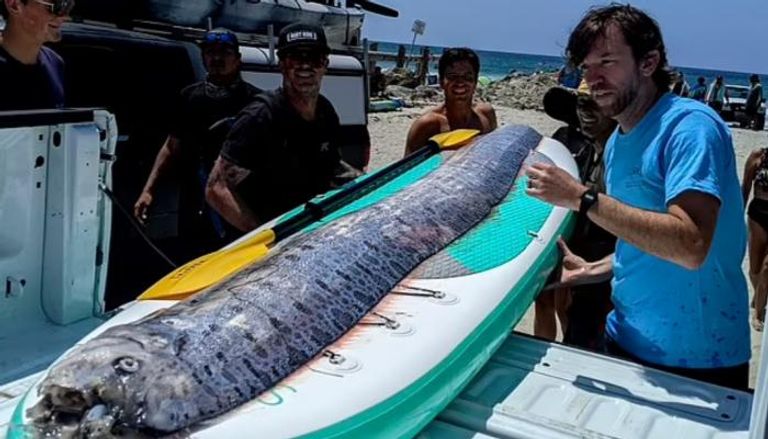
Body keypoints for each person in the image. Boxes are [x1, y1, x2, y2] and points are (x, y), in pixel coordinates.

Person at [526, 4, 750, 390]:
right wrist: (593, 269)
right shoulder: (617, 142)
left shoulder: (690, 127)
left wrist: (583, 198)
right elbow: (645, 237)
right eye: (586, 66)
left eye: (607, 62)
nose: (592, 78)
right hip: (623, 338)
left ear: (649, 62)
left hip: (699, 358)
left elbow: (691, 244)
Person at [206, 22, 361, 232]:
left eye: (313, 58)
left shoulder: (326, 112)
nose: (304, 66)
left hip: (308, 228)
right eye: (295, 57)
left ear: (325, 64)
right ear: (281, 64)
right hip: (269, 239)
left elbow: (332, 167)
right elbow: (216, 188)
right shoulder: (261, 116)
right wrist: (264, 235)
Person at [134, 28, 261, 258]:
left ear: (238, 59)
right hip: (196, 206)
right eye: (210, 52)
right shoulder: (189, 98)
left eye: (225, 52)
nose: (217, 58)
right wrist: (148, 190)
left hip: (241, 204)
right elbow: (172, 146)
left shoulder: (256, 102)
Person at [535, 82, 618, 348]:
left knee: (578, 312)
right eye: (582, 103)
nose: (587, 111)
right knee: (548, 300)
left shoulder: (622, 152)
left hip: (603, 246)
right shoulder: (563, 139)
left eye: (596, 103)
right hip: (564, 234)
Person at [403, 47, 497, 156]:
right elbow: (407, 169)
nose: (460, 82)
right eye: (452, 77)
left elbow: (494, 155)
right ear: (442, 82)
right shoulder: (428, 124)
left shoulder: (486, 114)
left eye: (467, 77)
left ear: (475, 81)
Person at [0, 0, 72, 110]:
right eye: (56, 7)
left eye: (67, 6)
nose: (65, 17)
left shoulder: (54, 63)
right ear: (14, 5)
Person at [742, 147, 768, 331]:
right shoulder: (758, 156)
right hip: (758, 214)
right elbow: (745, 188)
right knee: (755, 268)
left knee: (767, 268)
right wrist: (736, 218)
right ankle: (759, 294)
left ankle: (758, 312)